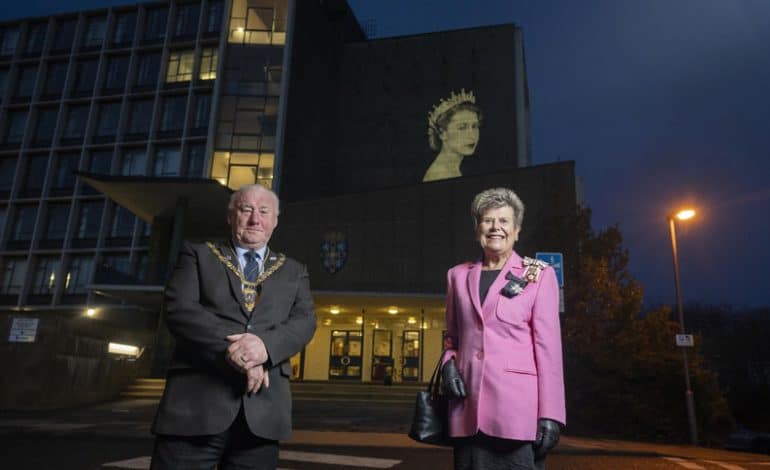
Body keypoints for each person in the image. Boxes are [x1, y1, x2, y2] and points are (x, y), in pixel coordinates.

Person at [151, 184, 317, 470]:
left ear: (275, 221)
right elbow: (180, 309)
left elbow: (305, 322)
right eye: (246, 210)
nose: (255, 219)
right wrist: (239, 352)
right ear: (231, 217)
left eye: (264, 212)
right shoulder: (197, 255)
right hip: (195, 409)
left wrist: (264, 347)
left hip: (263, 415)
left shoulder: (294, 270)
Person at [441, 187, 565, 470]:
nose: (495, 227)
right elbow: (452, 338)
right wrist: (449, 363)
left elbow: (549, 351)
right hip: (467, 407)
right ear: (477, 229)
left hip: (517, 413)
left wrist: (551, 413)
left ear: (517, 230)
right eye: (487, 220)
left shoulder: (539, 275)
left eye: (504, 221)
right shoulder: (457, 276)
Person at [423, 89, 482, 182]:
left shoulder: (451, 169)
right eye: (462, 128)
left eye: (475, 126)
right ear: (442, 133)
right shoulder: (440, 174)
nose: (472, 135)